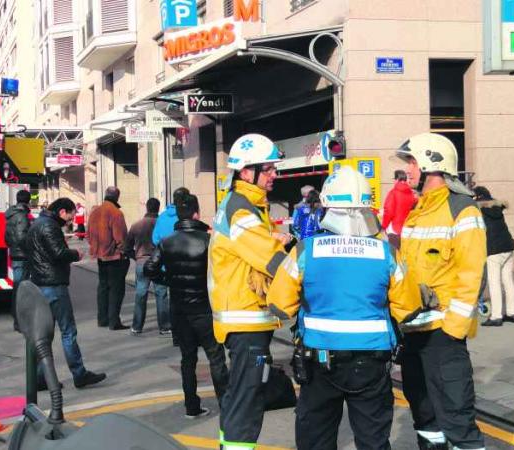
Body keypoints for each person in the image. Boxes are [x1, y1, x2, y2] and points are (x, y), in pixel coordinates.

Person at [267, 166, 420, 450]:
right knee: (374, 442)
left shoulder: (305, 250)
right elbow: (409, 309)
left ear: (327, 205)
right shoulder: (387, 253)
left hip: (319, 362)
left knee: (316, 441)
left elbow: (279, 305)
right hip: (372, 363)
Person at [395, 133, 487, 450]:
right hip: (413, 333)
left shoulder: (463, 210)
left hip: (443, 336)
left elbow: (472, 274)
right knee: (424, 417)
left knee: (457, 418)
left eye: (411, 162)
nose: (407, 169)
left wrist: (452, 330)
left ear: (430, 164)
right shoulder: (418, 211)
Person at [209, 134, 291, 449]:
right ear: (246, 172)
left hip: (242, 319)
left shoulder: (243, 205)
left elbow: (256, 247)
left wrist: (273, 239)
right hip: (246, 320)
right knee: (247, 399)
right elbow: (273, 261)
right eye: (267, 169)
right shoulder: (242, 211)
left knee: (238, 396)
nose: (274, 175)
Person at [145, 194, 229, 418]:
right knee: (216, 358)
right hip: (205, 307)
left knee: (188, 359)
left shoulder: (167, 241)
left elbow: (149, 269)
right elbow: (223, 270)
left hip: (180, 308)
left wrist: (169, 281)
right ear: (196, 214)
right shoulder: (209, 240)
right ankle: (226, 405)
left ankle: (191, 406)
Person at [24, 198, 107, 388]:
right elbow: (58, 253)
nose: (71, 220)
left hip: (39, 284)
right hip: (53, 285)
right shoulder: (49, 226)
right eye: (71, 215)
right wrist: (75, 254)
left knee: (44, 334)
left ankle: (41, 377)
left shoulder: (37, 223)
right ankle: (79, 374)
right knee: (68, 331)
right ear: (62, 212)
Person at [474, 186, 514, 327]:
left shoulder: (480, 210)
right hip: (508, 247)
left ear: (477, 197)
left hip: (494, 250)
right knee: (508, 281)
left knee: (494, 283)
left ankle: (496, 316)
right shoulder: (497, 207)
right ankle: (512, 313)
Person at [125, 198, 170, 336]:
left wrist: (136, 257)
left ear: (147, 207)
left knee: (140, 293)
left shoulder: (136, 225)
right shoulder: (161, 224)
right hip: (159, 263)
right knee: (161, 293)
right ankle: (164, 326)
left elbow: (127, 247)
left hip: (141, 261)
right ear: (158, 208)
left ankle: (137, 326)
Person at [87, 186, 130, 330]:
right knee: (116, 289)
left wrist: (95, 248)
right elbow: (121, 238)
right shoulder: (116, 213)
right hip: (114, 256)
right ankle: (114, 321)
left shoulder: (95, 212)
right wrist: (124, 251)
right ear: (117, 197)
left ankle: (102, 319)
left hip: (100, 256)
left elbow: (88, 234)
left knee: (103, 287)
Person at [5, 189, 32, 331]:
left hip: (15, 253)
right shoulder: (22, 216)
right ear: (28, 200)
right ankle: (19, 321)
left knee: (18, 287)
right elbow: (22, 237)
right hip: (22, 255)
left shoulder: (11, 215)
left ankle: (17, 319)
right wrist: (31, 248)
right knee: (21, 288)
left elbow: (7, 237)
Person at [381, 169, 417, 249]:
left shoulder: (393, 192)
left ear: (397, 179)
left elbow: (389, 211)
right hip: (407, 229)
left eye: (394, 179)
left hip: (394, 229)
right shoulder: (411, 193)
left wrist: (383, 226)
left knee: (394, 253)